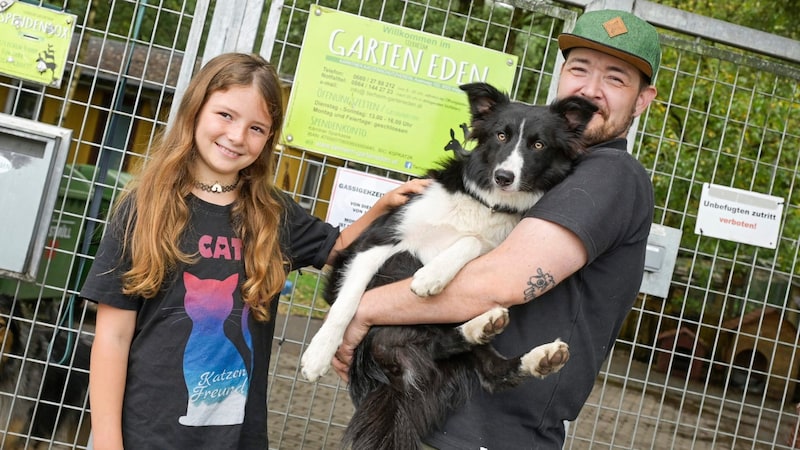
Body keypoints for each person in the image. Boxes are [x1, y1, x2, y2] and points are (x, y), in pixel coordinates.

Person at [331, 9, 660, 449]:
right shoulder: (555, 166)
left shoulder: (610, 174)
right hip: (436, 405)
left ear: (643, 100)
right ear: (562, 76)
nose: (591, 90)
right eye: (580, 69)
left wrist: (364, 312)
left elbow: (501, 281)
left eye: (616, 79)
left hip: (494, 432)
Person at [82, 52, 427, 449]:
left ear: (268, 139)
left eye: (256, 128)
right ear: (196, 109)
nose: (237, 136)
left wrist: (384, 206)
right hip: (148, 433)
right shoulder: (144, 208)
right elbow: (112, 336)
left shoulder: (272, 213)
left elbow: (341, 249)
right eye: (225, 115)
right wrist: (108, 443)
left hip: (238, 437)